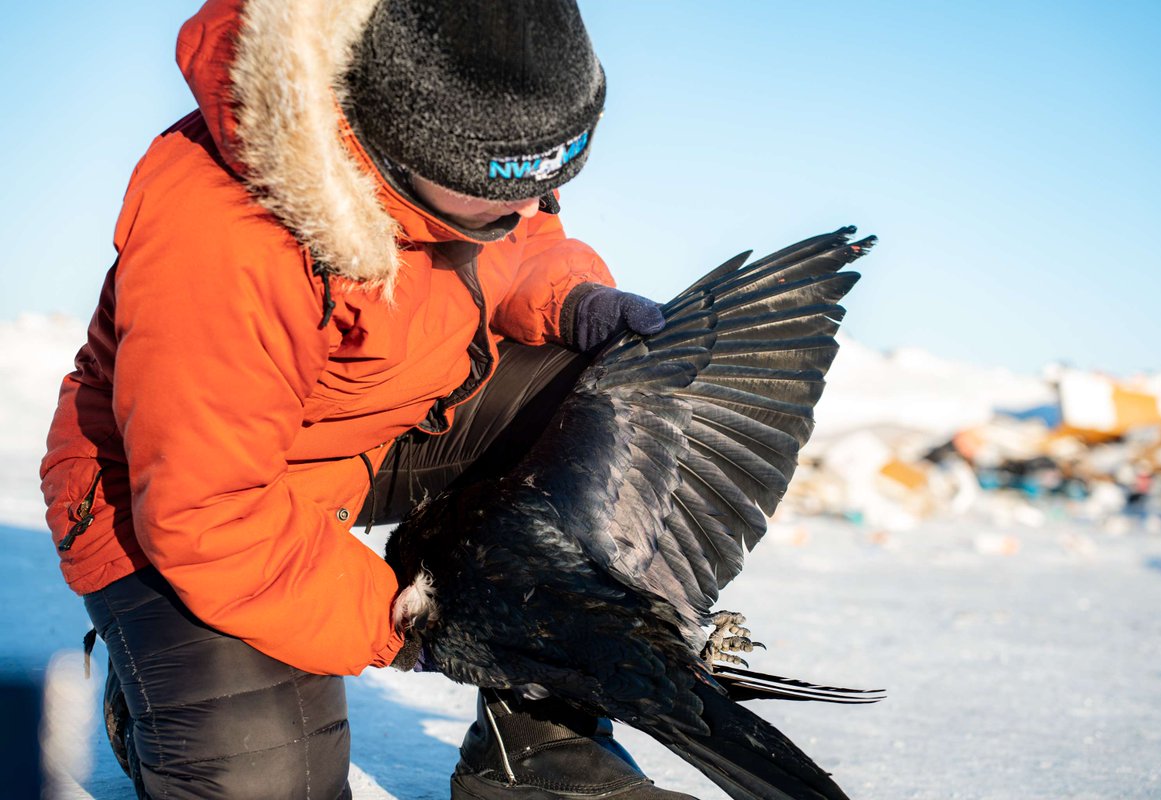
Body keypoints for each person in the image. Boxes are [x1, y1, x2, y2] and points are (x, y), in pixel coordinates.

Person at [40, 1, 694, 798]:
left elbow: (515, 246)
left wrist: (568, 295)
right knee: (266, 778)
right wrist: (419, 621)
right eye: (499, 197)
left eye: (550, 184)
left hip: (354, 442)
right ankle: (157, 702)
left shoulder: (468, 153)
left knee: (603, 407)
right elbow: (204, 514)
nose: (528, 212)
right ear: (391, 143)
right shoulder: (228, 239)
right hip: (170, 504)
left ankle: (539, 750)